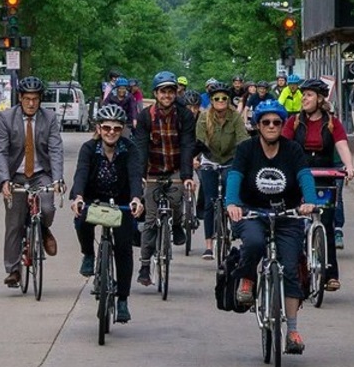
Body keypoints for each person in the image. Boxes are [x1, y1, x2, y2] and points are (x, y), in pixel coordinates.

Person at [226, 100, 318, 354]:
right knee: (254, 243)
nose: (271, 126)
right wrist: (232, 203)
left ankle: (293, 331)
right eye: (265, 122)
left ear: (282, 124)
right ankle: (247, 278)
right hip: (253, 213)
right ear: (257, 125)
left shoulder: (293, 149)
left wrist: (309, 201)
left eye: (277, 122)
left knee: (290, 268)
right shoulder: (246, 149)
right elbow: (235, 176)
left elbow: (304, 176)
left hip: (287, 214)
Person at [70, 105, 145, 323]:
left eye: (116, 128)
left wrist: (136, 199)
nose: (111, 132)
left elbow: (134, 175)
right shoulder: (88, 148)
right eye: (106, 128)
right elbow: (81, 174)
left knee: (123, 248)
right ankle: (89, 254)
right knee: (82, 219)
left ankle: (122, 300)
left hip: (122, 201)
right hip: (94, 198)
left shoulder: (130, 149)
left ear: (122, 130)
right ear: (99, 128)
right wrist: (78, 197)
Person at [281, 78, 354, 292]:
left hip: (325, 174)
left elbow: (341, 144)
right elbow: (284, 146)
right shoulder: (293, 121)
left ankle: (331, 274)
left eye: (309, 95)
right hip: (299, 174)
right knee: (294, 224)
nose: (304, 98)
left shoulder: (332, 122)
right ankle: (298, 272)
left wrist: (349, 166)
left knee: (327, 223)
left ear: (320, 98)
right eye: (303, 95)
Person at [0, 76, 65, 288]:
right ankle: (14, 270)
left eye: (35, 99)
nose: (31, 103)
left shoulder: (49, 118)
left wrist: (58, 178)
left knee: (48, 207)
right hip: (16, 175)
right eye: (27, 99)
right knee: (14, 222)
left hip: (41, 174)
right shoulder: (6, 118)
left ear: (40, 99)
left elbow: (55, 149)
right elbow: (0, 152)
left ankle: (42, 229)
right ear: (20, 98)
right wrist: (5, 180)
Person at [133, 71, 197, 286]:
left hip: (176, 168)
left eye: (170, 91)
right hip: (152, 169)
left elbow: (188, 144)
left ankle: (177, 224)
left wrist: (187, 175)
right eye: (163, 91)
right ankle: (144, 266)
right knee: (150, 220)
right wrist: (140, 175)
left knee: (177, 201)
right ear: (156, 93)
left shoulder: (184, 115)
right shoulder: (145, 117)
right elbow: (140, 146)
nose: (167, 95)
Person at [195, 81, 249, 260]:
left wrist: (247, 159)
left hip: (230, 159)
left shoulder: (234, 117)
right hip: (209, 160)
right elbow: (199, 141)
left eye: (224, 98)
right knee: (210, 202)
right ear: (211, 100)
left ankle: (234, 225)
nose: (220, 101)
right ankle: (209, 245)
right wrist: (194, 159)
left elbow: (243, 139)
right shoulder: (204, 118)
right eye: (216, 98)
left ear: (228, 100)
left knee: (231, 194)